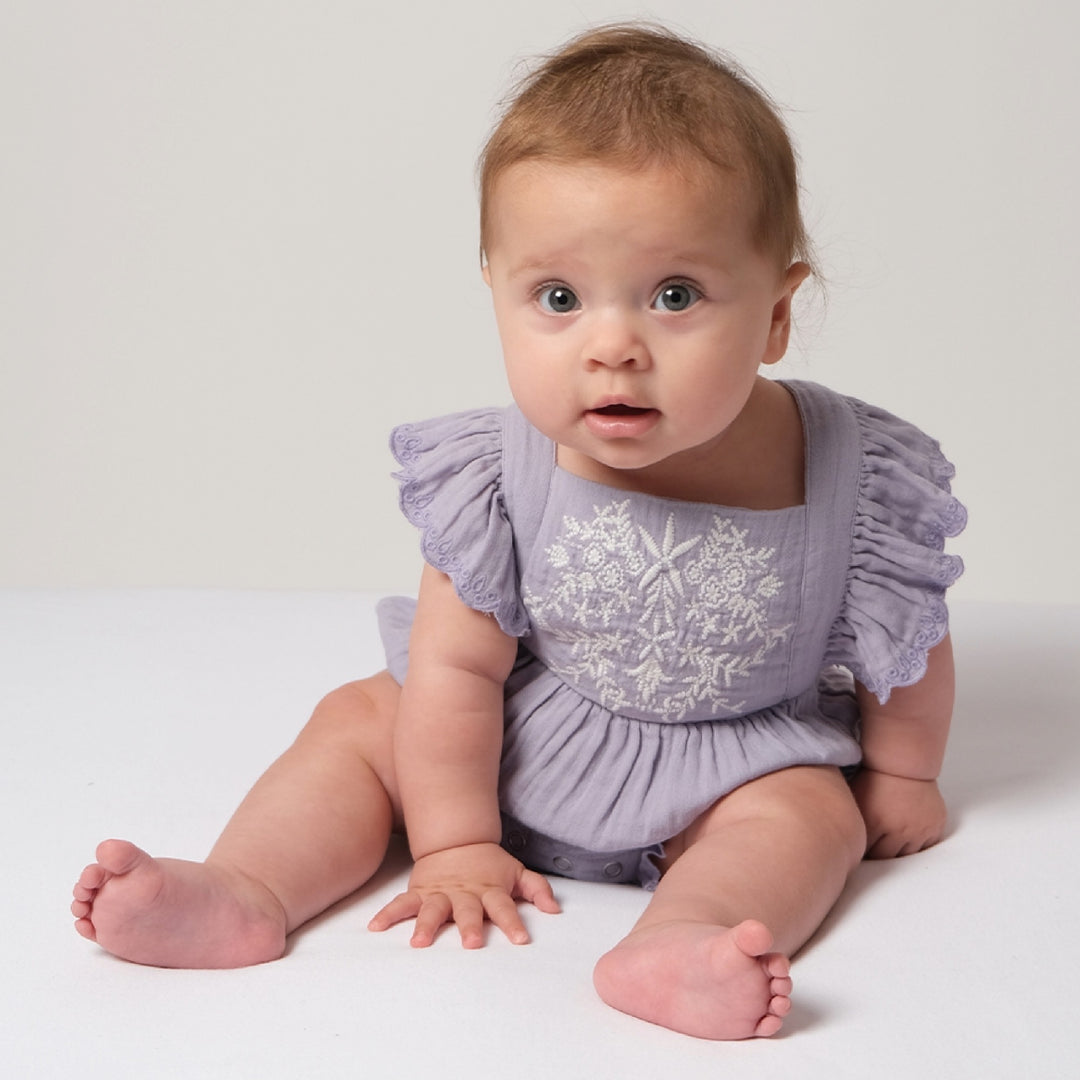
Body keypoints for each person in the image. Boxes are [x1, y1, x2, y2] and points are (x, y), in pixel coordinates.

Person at [71, 23, 966, 1040]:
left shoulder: (853, 469)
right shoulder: (500, 472)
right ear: (495, 291)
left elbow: (909, 636)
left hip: (732, 768)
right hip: (514, 738)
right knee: (360, 723)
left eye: (676, 295)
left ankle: (682, 938)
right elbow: (456, 672)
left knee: (811, 818)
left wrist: (902, 774)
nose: (613, 346)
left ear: (775, 314)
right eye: (557, 297)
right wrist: (451, 843)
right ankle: (242, 888)